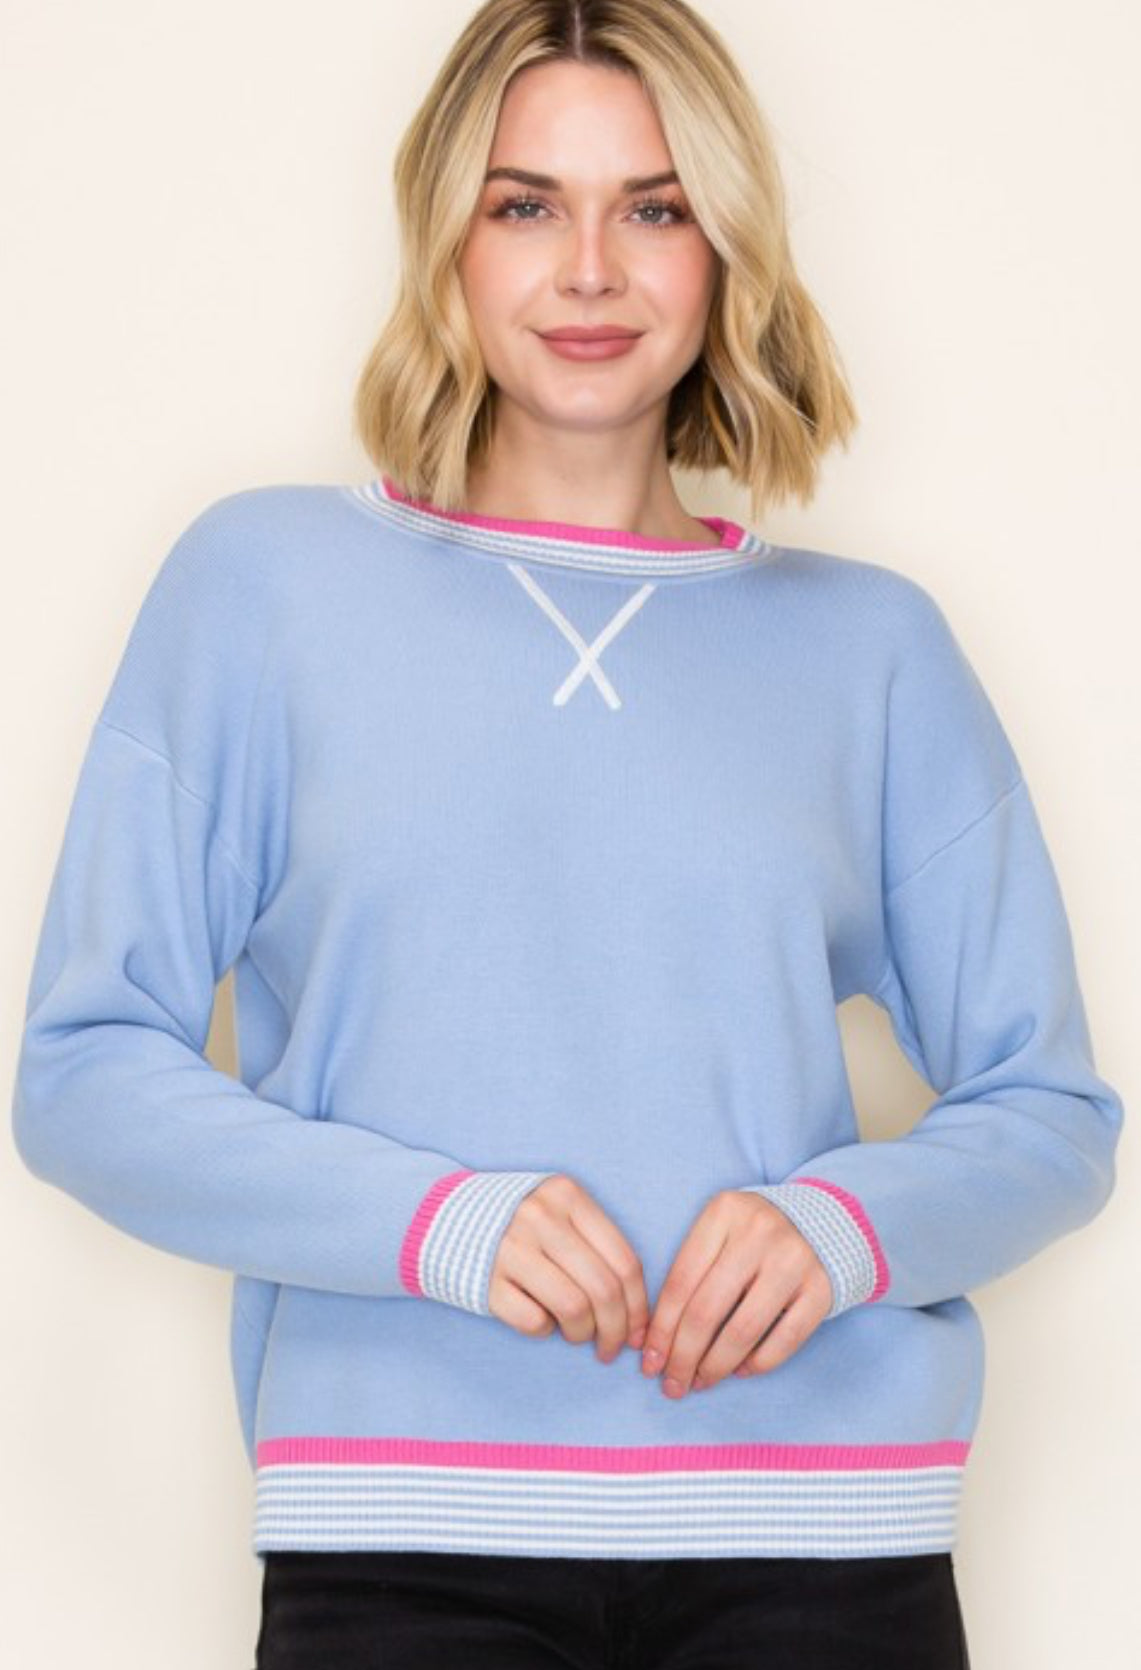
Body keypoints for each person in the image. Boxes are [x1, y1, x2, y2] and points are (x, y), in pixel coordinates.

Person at [10, 2, 1123, 1667]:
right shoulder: (260, 589)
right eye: (526, 204)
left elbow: (1051, 1112)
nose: (589, 270)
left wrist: (843, 1228)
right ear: (444, 241)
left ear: (723, 246)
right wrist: (437, 1220)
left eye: (653, 207)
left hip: (822, 1546)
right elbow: (85, 1071)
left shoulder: (873, 647)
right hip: (400, 1544)